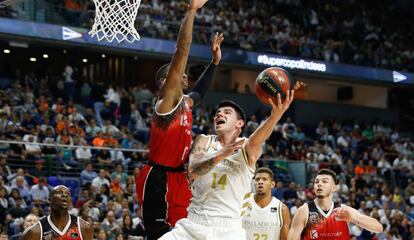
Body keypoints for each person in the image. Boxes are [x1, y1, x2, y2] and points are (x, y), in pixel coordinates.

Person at [135, 0, 223, 239]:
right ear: (165, 82)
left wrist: (214, 63)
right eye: (177, 74)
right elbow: (181, 52)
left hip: (178, 176)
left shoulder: (185, 102)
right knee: (159, 235)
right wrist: (191, 12)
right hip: (158, 177)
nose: (184, 75)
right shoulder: (166, 101)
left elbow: (200, 92)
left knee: (184, 232)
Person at [160, 90, 295, 239]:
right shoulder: (204, 140)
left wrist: (275, 116)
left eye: (227, 112)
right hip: (194, 224)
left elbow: (257, 139)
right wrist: (222, 154)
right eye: (218, 112)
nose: (219, 114)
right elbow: (192, 172)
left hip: (229, 229)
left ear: (240, 123)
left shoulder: (246, 147)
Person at [287, 169, 383, 240]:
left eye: (324, 181)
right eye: (316, 181)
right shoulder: (304, 211)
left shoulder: (344, 210)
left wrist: (353, 219)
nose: (319, 184)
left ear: (333, 188)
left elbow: (378, 228)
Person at [21, 185, 93, 240]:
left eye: (68, 194)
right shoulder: (35, 231)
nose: (65, 195)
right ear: (49, 199)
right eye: (59, 193)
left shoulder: (84, 227)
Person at [242, 167, 291, 240]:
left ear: (272, 184)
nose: (260, 182)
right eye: (257, 179)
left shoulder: (282, 209)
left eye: (264, 179)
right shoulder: (243, 202)